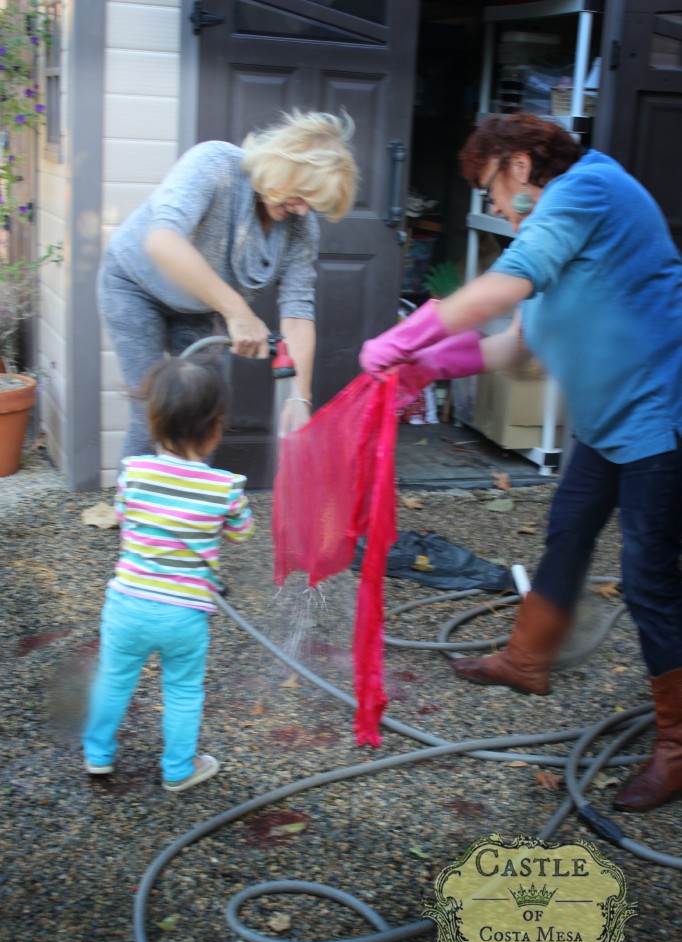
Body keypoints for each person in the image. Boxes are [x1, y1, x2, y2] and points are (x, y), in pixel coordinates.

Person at [360, 113, 682, 813]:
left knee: (650, 581)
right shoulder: (558, 231)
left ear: (519, 164)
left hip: (661, 418)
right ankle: (527, 662)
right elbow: (516, 350)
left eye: (493, 190)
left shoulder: (587, 190)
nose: (498, 209)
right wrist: (424, 367)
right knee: (567, 533)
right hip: (606, 423)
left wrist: (407, 332)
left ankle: (676, 746)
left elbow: (504, 287)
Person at [99, 110, 358, 459]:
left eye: (312, 205)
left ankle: (192, 513)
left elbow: (297, 315)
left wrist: (299, 398)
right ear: (283, 167)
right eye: (301, 196)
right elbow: (162, 241)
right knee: (153, 415)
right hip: (133, 286)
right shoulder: (215, 164)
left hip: (200, 306)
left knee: (201, 418)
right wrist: (237, 311)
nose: (302, 211)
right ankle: (136, 512)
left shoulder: (300, 229)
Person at [82, 357, 255, 793]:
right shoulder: (225, 487)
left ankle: (97, 754)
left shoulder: (133, 474)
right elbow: (243, 534)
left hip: (127, 605)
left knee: (113, 678)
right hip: (184, 615)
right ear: (216, 428)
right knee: (182, 689)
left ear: (154, 424)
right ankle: (179, 769)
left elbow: (123, 517)